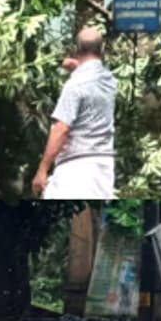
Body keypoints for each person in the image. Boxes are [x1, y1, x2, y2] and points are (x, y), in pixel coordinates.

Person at [33, 27, 116, 199]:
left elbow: (61, 129)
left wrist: (42, 169)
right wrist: (78, 68)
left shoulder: (75, 86)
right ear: (101, 49)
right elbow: (92, 76)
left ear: (76, 49)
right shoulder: (109, 80)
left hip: (76, 169)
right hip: (103, 167)